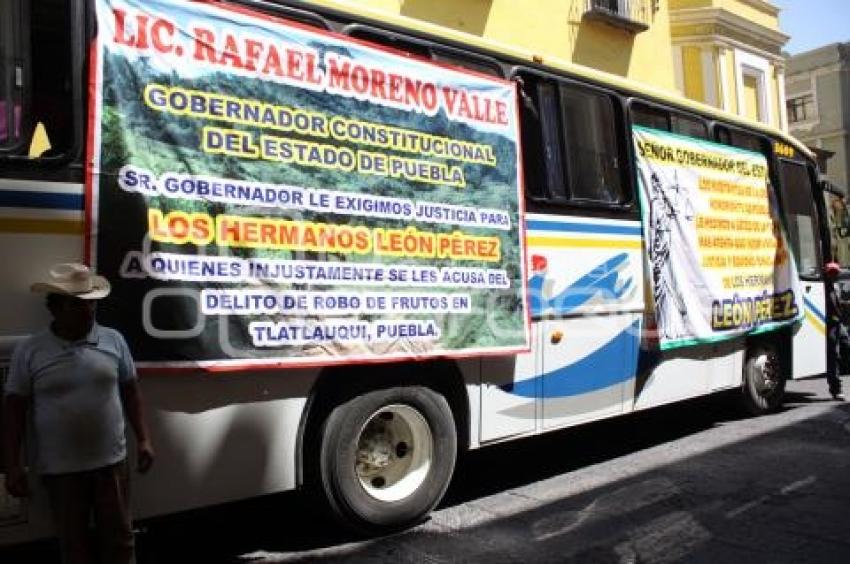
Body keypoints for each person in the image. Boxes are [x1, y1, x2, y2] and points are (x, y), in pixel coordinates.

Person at [2, 263, 154, 564]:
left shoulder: (114, 340)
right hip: (61, 470)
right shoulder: (31, 350)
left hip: (111, 463)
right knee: (74, 546)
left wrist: (144, 439)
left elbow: (131, 391)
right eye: (78, 305)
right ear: (56, 309)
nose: (88, 312)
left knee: (120, 541)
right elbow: (14, 409)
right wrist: (13, 465)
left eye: (91, 304)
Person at [825, 261, 846, 401]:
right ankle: (836, 388)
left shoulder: (836, 286)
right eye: (832, 273)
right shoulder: (824, 288)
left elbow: (839, 303)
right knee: (834, 354)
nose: (835, 275)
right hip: (830, 324)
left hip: (838, 322)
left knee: (846, 344)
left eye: (836, 272)